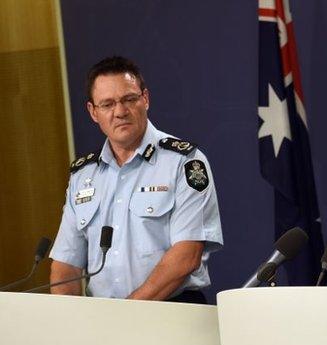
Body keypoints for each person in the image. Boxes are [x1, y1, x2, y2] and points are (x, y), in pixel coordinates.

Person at [49, 56, 223, 303]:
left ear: (145, 99)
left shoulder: (184, 162)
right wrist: (72, 325)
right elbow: (66, 265)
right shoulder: (82, 176)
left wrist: (128, 315)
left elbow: (186, 256)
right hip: (104, 324)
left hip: (172, 313)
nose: (120, 112)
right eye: (107, 104)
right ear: (93, 112)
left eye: (129, 99)